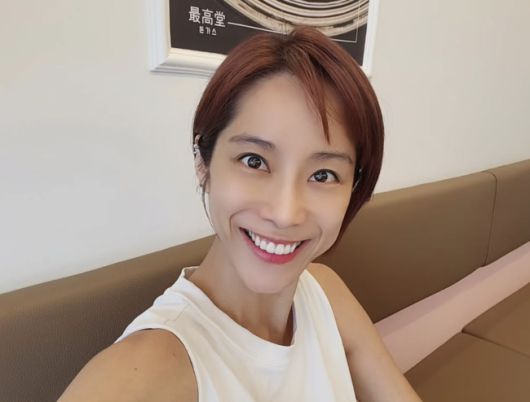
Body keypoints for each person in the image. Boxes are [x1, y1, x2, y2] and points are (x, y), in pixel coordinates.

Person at [58, 26, 422, 402]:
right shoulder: (146, 370)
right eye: (254, 161)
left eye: (323, 175)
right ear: (203, 161)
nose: (285, 214)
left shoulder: (325, 292)